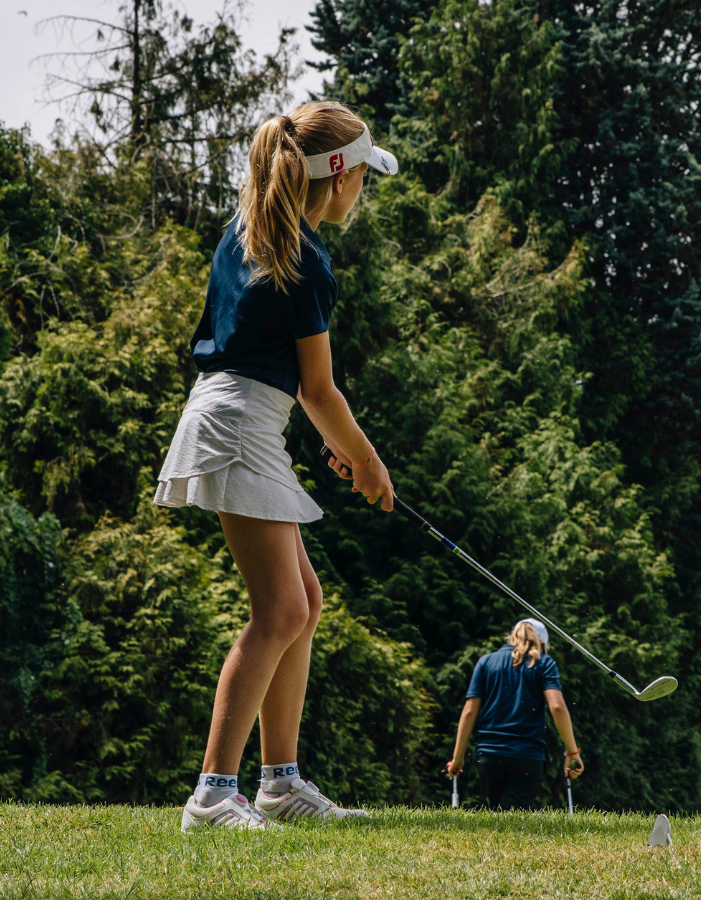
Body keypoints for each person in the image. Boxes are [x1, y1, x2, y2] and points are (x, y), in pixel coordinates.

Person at [158, 101, 401, 831]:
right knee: (281, 610)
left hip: (242, 418)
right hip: (237, 425)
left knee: (305, 601)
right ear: (338, 179)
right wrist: (368, 462)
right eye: (363, 175)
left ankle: (280, 784)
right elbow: (319, 390)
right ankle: (211, 796)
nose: (363, 188)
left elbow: (274, 371)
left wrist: (336, 443)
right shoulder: (308, 260)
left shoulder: (250, 229)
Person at [445, 619, 585, 809]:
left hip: (488, 755)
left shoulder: (486, 662)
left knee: (499, 812)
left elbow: (470, 711)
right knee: (511, 817)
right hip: (527, 755)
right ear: (542, 643)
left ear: (512, 636)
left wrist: (457, 758)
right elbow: (557, 707)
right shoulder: (544, 663)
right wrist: (572, 752)